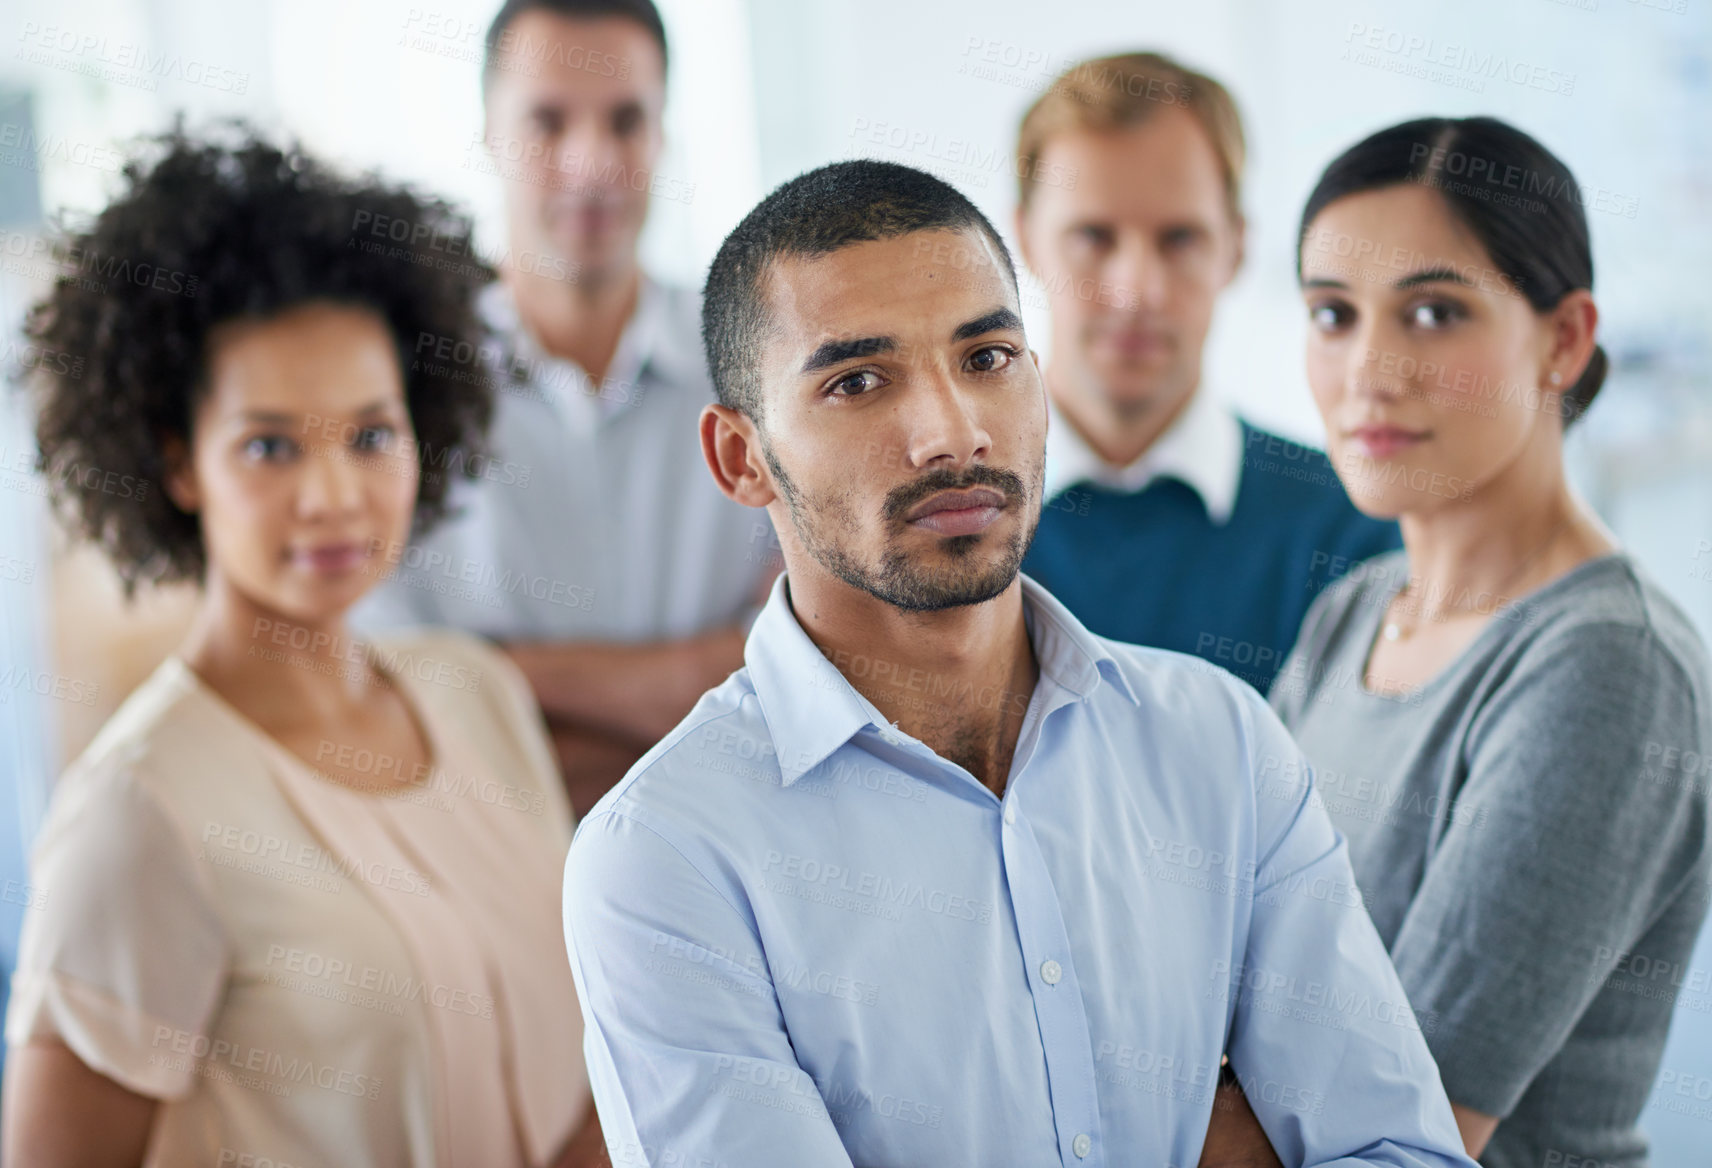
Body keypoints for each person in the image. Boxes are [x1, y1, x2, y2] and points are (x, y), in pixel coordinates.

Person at [561, 158, 1478, 1168]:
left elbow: (1403, 1152)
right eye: (856, 382)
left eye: (987, 357)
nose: (949, 434)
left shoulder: (1217, 741)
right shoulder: (664, 858)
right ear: (740, 457)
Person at [2, 128, 601, 1167]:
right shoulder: (136, 813)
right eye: (270, 445)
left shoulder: (478, 694)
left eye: (370, 435)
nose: (332, 497)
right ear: (177, 461)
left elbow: (581, 1071)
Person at [1272, 116, 1712, 1168]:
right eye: (1331, 314)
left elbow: (1396, 1124)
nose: (1367, 369)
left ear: (1561, 339)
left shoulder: (1604, 667)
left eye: (1430, 312)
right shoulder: (1357, 610)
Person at [353, 0, 775, 814]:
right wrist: (690, 681)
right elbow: (391, 698)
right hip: (483, 894)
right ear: (487, 133)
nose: (592, 164)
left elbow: (810, 678)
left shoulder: (760, 365)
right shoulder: (394, 389)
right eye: (547, 122)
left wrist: (509, 682)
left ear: (663, 133)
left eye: (626, 121)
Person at [1014, 52, 1398, 693]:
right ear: (1024, 241)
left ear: (1237, 246)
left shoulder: (1349, 531)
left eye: (1179, 239)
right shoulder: (946, 520)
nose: (1136, 292)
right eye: (1094, 237)